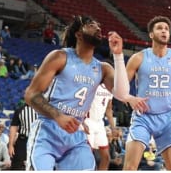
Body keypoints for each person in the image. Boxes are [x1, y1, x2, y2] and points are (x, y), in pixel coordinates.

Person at [24, 15, 141, 170]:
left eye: (98, 25)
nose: (98, 28)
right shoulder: (60, 57)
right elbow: (31, 94)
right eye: (91, 24)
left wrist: (118, 55)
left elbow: (122, 93)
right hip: (48, 130)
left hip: (76, 134)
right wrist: (58, 116)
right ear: (78, 34)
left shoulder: (103, 68)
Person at [108, 16, 171, 171]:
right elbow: (118, 89)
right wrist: (130, 98)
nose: (164, 31)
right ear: (151, 34)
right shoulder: (138, 58)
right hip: (143, 117)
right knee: (130, 167)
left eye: (166, 28)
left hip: (167, 118)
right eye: (159, 28)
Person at [83, 82, 116, 170]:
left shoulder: (111, 89)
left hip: (99, 123)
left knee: (106, 158)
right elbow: (81, 103)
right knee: (87, 157)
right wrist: (82, 121)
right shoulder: (93, 85)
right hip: (88, 121)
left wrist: (113, 128)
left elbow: (109, 109)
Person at [8, 102, 38, 170]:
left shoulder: (43, 109)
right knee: (17, 166)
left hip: (39, 142)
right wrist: (10, 145)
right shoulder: (20, 110)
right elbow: (13, 127)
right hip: (23, 141)